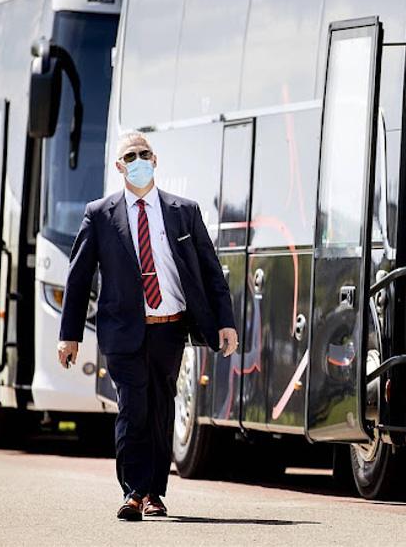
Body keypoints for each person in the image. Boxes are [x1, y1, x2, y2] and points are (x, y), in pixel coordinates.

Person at [58, 131, 238, 521]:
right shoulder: (100, 214)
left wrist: (226, 322)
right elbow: (79, 276)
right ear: (119, 166)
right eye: (130, 155)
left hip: (169, 328)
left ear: (155, 160)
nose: (138, 160)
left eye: (144, 153)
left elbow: (210, 271)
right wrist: (69, 335)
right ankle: (134, 491)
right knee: (132, 408)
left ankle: (155, 490)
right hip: (123, 331)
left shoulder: (183, 211)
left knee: (160, 410)